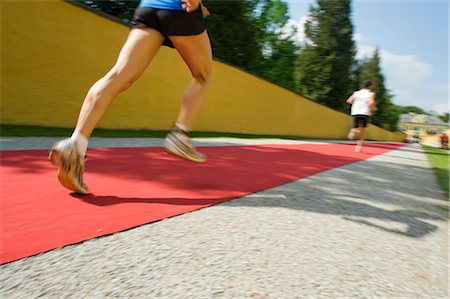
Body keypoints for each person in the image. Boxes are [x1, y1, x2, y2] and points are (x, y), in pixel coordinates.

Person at [49, 0, 212, 194]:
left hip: (149, 8)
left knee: (118, 76)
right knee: (202, 76)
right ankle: (180, 136)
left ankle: (75, 145)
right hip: (180, 10)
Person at [346, 80, 377, 152]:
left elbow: (349, 101)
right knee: (363, 132)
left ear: (362, 85)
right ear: (370, 86)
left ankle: (353, 130)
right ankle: (358, 147)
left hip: (356, 112)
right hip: (365, 112)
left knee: (356, 127)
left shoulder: (356, 93)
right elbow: (371, 102)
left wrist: (357, 104)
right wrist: (373, 108)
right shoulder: (371, 94)